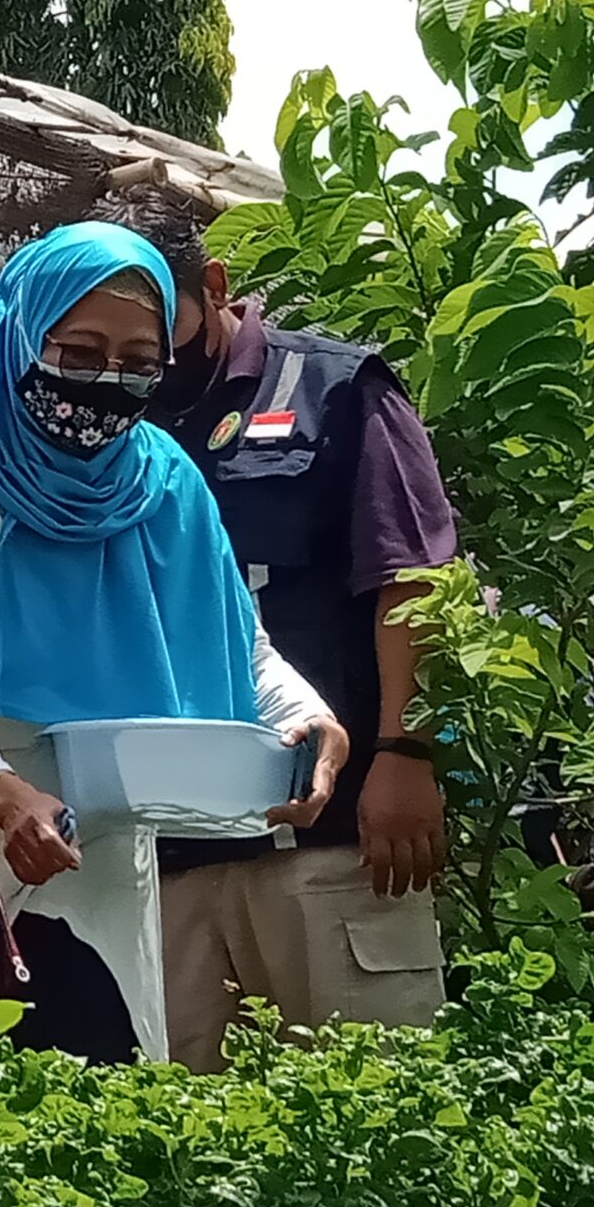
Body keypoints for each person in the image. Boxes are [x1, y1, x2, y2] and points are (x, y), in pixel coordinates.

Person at [0, 221, 349, 1064]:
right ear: (20, 331)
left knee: (106, 1085)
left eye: (136, 359)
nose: (106, 382)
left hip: (105, 836)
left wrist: (311, 721)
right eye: (78, 351)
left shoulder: (162, 476)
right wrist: (5, 799)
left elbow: (241, 645)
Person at [120, 192, 456, 1068]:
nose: (139, 360)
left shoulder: (339, 389)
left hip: (332, 841)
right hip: (172, 856)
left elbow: (413, 581)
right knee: (193, 1147)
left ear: (215, 284)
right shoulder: (111, 429)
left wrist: (409, 754)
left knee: (376, 1114)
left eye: (158, 326)